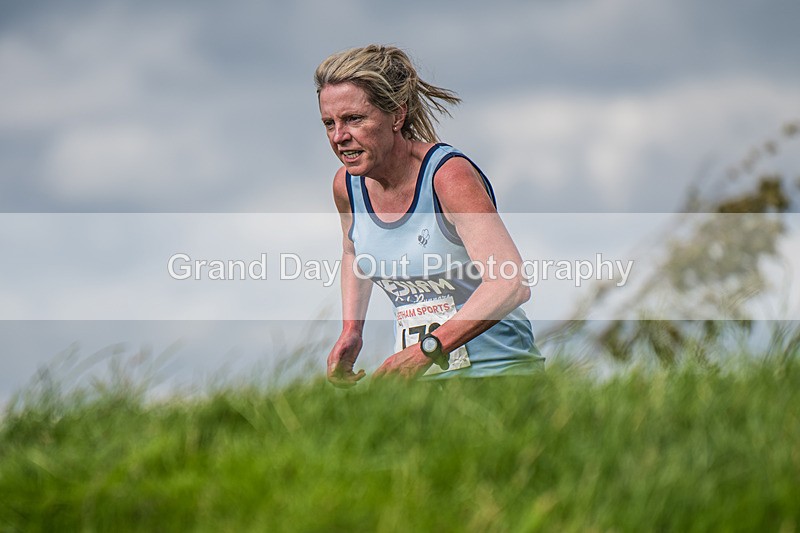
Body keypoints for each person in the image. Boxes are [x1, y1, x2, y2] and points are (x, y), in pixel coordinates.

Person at [315, 44, 544, 387]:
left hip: (501, 375)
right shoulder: (347, 186)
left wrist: (427, 350)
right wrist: (352, 329)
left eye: (354, 119)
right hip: (422, 384)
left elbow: (510, 284)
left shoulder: (447, 177)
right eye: (329, 123)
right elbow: (353, 251)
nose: (339, 137)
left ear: (397, 115)